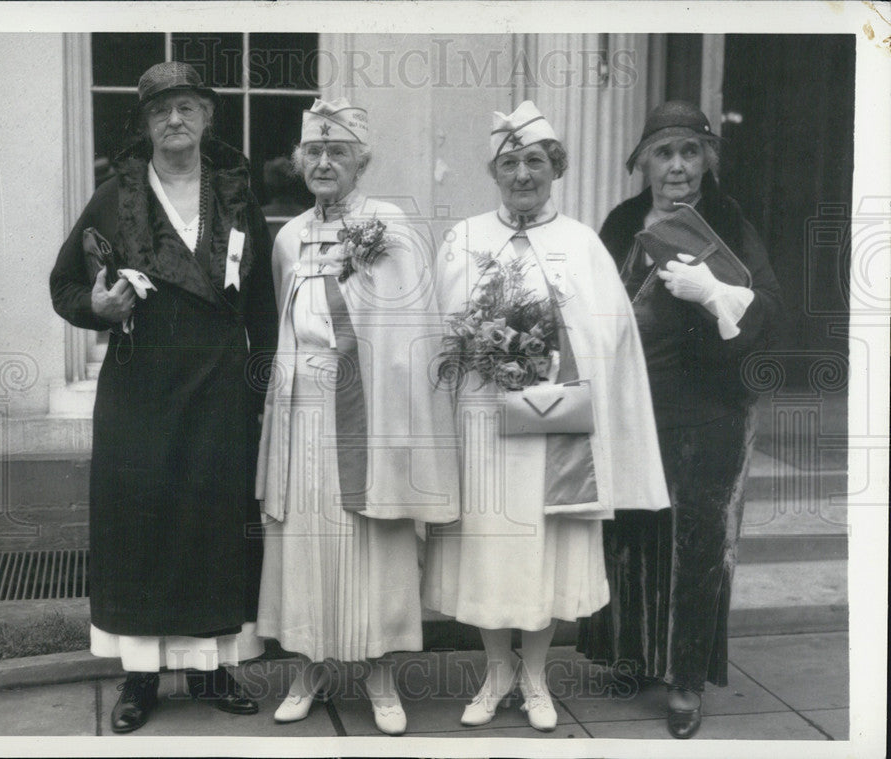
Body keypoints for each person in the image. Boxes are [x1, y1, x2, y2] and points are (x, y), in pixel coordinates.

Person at [422, 101, 669, 732]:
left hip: (555, 426)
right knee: (487, 547)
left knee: (544, 546)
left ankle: (534, 674)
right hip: (483, 423)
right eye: (510, 162)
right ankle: (495, 668)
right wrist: (482, 342)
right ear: (495, 171)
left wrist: (547, 347)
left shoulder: (582, 243)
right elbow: (439, 331)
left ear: (555, 167)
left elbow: (611, 340)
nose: (523, 174)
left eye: (535, 161)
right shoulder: (465, 238)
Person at [49, 62, 278, 733]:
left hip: (218, 389)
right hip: (139, 387)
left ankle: (211, 667)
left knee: (212, 524)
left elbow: (260, 303)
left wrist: (260, 390)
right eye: (160, 111)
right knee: (140, 526)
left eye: (186, 108)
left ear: (207, 118)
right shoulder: (114, 197)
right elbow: (65, 285)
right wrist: (95, 303)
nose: (174, 120)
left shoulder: (237, 196)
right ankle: (141, 677)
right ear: (144, 124)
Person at [576, 100, 782, 739]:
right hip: (631, 408)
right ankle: (633, 658)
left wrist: (718, 295)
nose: (677, 167)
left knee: (697, 541)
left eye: (689, 153)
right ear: (643, 163)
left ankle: (686, 681)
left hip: (711, 408)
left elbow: (770, 312)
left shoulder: (728, 222)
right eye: (663, 154)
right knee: (633, 535)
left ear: (706, 160)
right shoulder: (618, 224)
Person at [254, 98, 460, 736]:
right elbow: (283, 329)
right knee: (304, 546)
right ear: (298, 162)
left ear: (359, 162)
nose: (322, 162)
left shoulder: (389, 224)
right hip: (302, 411)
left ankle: (380, 676)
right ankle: (308, 669)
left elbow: (414, 329)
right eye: (312, 151)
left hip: (371, 411)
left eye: (336, 152)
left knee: (374, 543)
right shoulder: (288, 236)